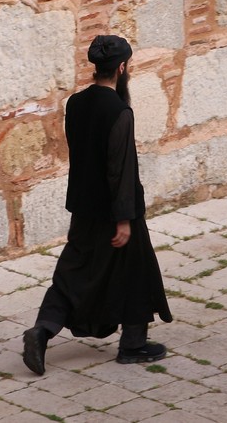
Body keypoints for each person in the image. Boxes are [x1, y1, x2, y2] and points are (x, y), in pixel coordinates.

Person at [22, 35, 173, 376]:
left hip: (83, 208)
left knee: (72, 273)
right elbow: (119, 169)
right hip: (115, 211)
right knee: (137, 270)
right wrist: (124, 219)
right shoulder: (120, 111)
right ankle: (133, 345)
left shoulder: (75, 104)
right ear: (122, 68)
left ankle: (42, 330)